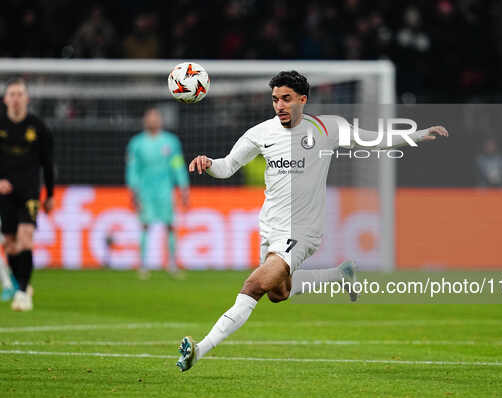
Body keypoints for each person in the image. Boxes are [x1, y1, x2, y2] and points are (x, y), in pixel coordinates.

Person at [176, 71, 449, 371]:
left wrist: (418, 134)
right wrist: (208, 163)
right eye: (275, 99)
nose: (279, 105)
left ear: (302, 100)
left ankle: (198, 350)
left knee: (254, 285)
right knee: (279, 293)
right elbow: (227, 166)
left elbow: (374, 141)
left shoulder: (326, 127)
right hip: (270, 227)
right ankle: (340, 275)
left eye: (286, 99)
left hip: (302, 231)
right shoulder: (261, 133)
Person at [0, 77, 55, 311]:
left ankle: (22, 292)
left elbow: (48, 164)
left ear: (27, 98)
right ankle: (21, 284)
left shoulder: (38, 127)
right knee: (11, 245)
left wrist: (50, 194)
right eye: (12, 94)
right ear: (5, 99)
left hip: (30, 191)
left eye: (20, 94)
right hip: (5, 193)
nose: (16, 98)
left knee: (26, 239)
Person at [126, 108, 189, 278]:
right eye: (149, 118)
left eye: (155, 118)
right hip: (145, 191)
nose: (152, 121)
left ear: (160, 120)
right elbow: (133, 169)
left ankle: (172, 264)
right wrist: (133, 189)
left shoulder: (170, 142)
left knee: (170, 225)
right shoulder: (136, 143)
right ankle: (143, 265)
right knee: (145, 225)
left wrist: (183, 186)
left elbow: (177, 165)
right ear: (145, 121)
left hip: (165, 190)